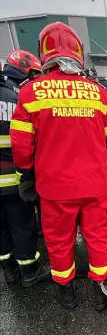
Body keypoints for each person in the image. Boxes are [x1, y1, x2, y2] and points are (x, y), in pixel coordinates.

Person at [10, 22, 107, 309]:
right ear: (79, 53)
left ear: (44, 53)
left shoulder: (30, 93)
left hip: (54, 189)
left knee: (59, 242)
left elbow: (21, 147)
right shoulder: (98, 93)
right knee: (99, 239)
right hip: (94, 187)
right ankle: (101, 294)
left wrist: (26, 173)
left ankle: (67, 294)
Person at [0, 66, 49, 286]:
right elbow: (25, 143)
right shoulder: (14, 99)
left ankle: (9, 272)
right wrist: (28, 175)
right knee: (22, 226)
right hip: (12, 178)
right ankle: (29, 272)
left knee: (1, 228)